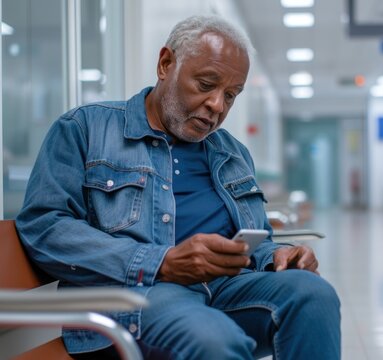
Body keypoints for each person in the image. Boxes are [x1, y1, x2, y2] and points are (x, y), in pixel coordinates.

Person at [16, 15, 340, 360]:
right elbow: (44, 227)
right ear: (166, 64)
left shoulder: (231, 152)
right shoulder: (85, 129)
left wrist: (277, 255)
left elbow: (255, 240)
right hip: (137, 297)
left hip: (224, 290)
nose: (218, 104)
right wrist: (163, 262)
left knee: (313, 294)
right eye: (206, 84)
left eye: (230, 95)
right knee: (213, 339)